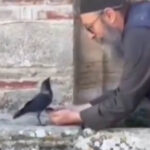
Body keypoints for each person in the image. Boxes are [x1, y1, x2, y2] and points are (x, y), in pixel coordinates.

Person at [49, 0, 150, 131]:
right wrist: (85, 107)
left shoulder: (139, 32)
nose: (91, 36)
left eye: (90, 27)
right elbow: (130, 89)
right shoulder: (140, 17)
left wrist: (77, 117)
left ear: (109, 15)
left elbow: (126, 101)